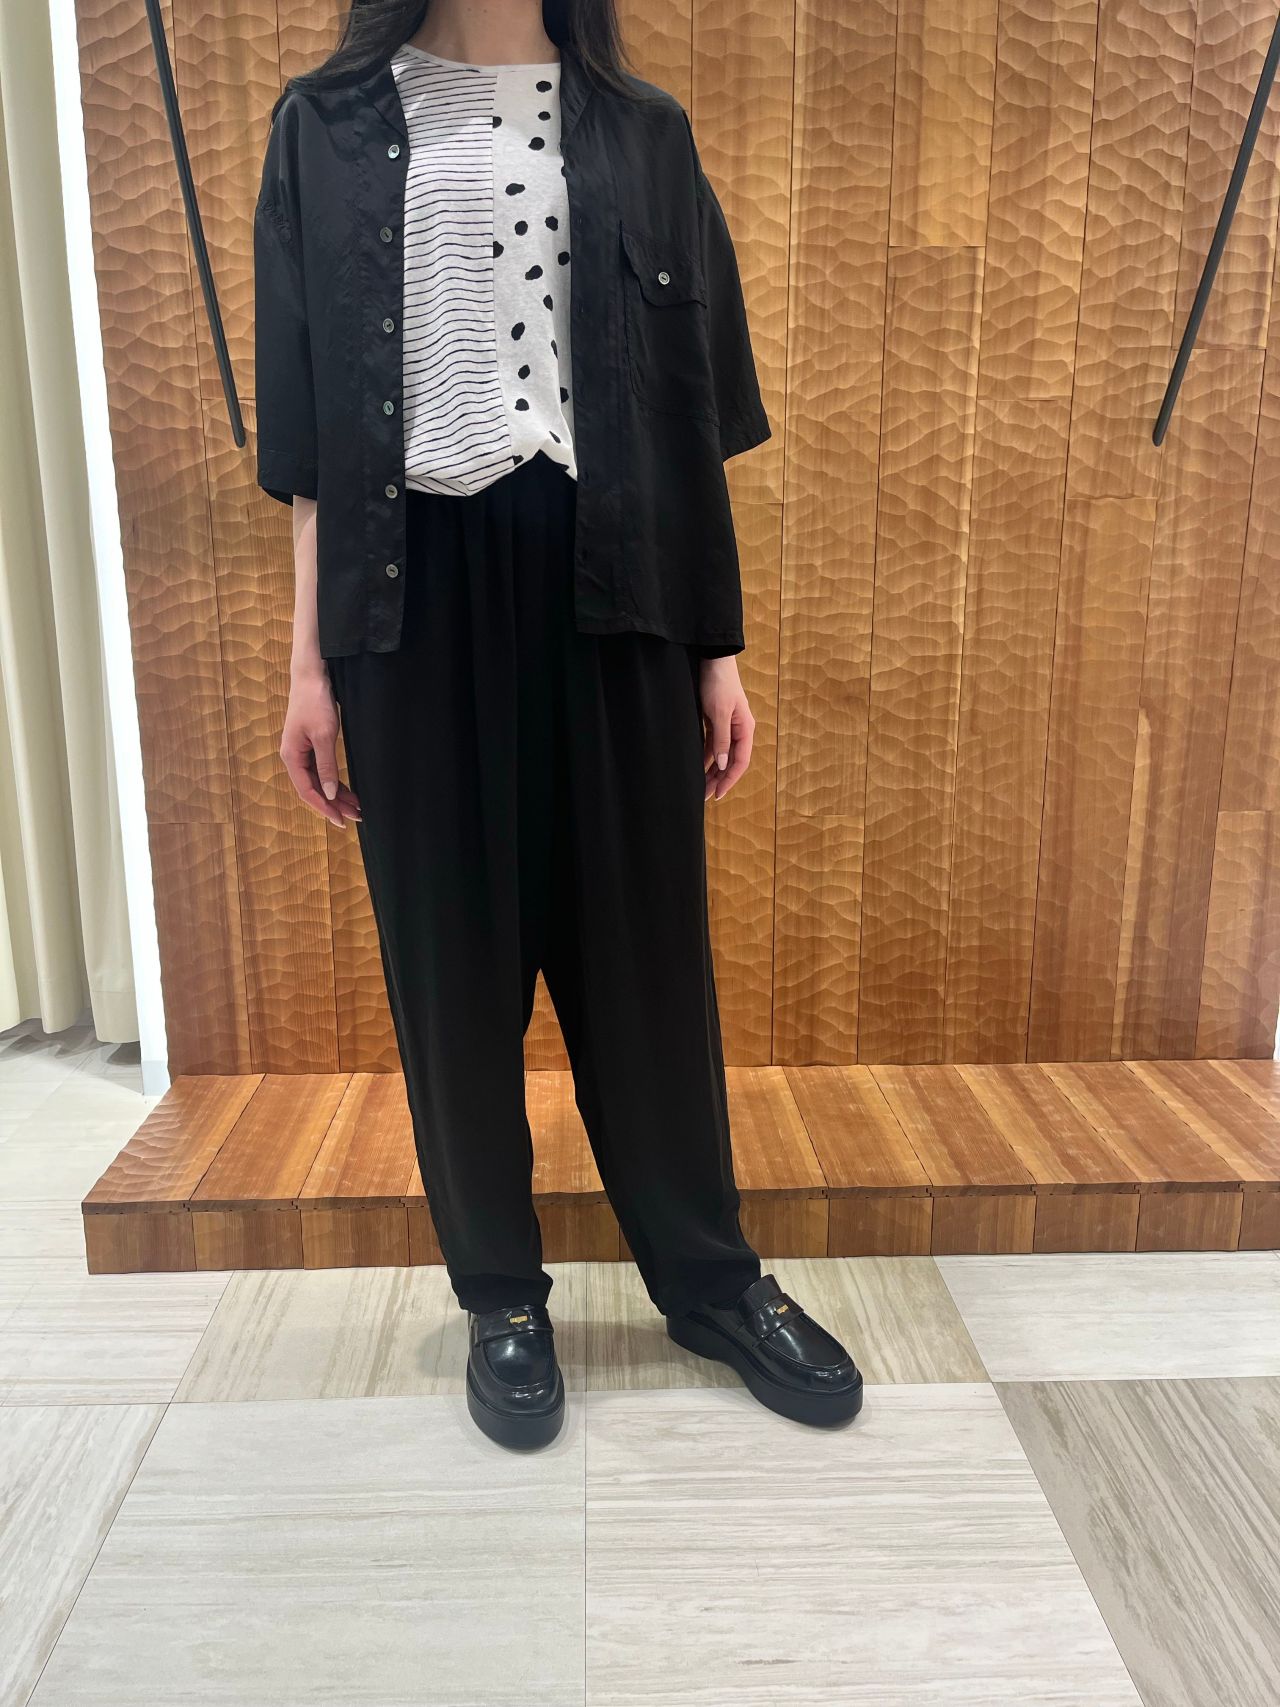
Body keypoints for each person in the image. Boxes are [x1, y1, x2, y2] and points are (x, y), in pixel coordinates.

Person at [252, 0, 863, 1448]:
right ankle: (501, 1297)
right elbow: (313, 439)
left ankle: (710, 1281)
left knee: (645, 957)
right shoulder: (322, 126)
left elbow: (688, 412)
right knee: (450, 964)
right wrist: (308, 665)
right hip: (410, 597)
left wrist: (716, 649)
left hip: (616, 582)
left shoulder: (644, 133)